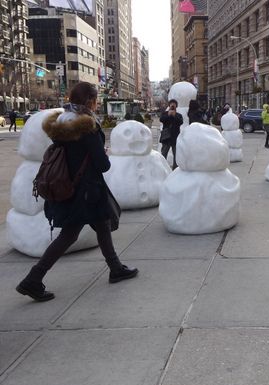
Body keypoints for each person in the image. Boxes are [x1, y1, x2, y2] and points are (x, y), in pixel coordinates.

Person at [15, 82, 138, 302]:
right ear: (90, 100)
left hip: (68, 188)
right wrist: (104, 154)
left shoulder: (61, 122)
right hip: (87, 192)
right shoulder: (87, 125)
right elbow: (102, 165)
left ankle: (116, 268)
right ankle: (33, 279)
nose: (97, 102)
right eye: (95, 98)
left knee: (101, 227)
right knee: (69, 235)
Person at [160, 99, 183, 169]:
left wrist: (174, 115)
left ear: (176, 106)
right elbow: (161, 119)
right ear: (169, 105)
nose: (173, 105)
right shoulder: (165, 113)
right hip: (166, 137)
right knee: (163, 154)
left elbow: (180, 122)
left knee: (176, 155)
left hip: (175, 137)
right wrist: (168, 115)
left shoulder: (179, 115)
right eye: (171, 104)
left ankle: (175, 169)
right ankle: (162, 168)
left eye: (174, 104)